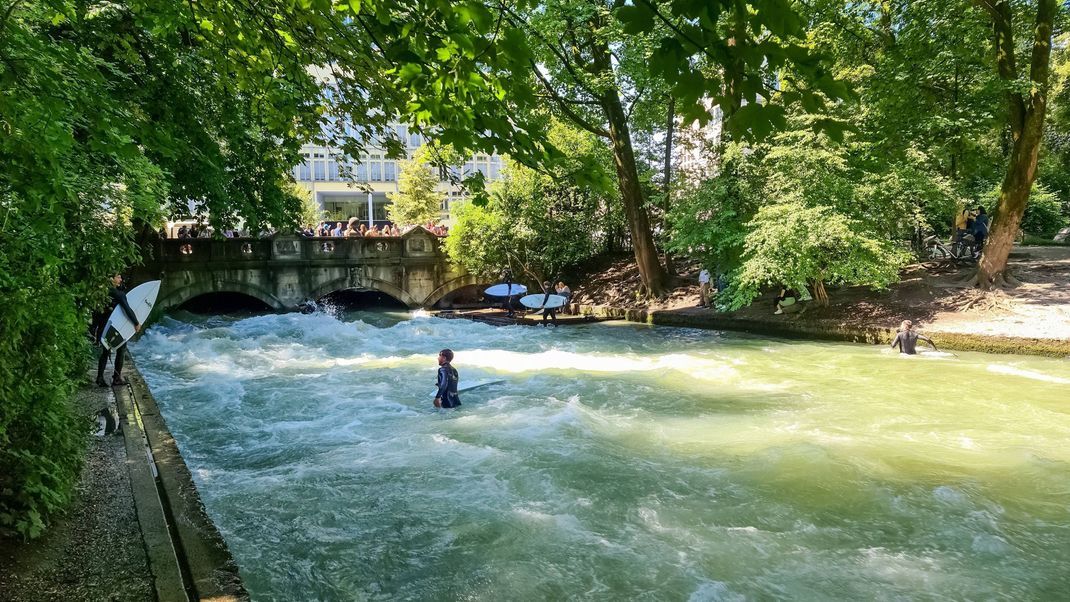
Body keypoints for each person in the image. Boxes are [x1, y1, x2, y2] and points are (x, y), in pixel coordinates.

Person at [93, 274, 141, 387]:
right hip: (116, 326)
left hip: (103, 325)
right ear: (111, 279)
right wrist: (136, 323)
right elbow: (127, 309)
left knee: (105, 352)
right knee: (121, 349)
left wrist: (94, 327)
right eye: (118, 277)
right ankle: (117, 378)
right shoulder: (118, 294)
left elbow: (95, 311)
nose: (121, 279)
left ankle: (99, 378)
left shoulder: (102, 292)